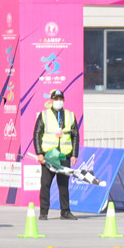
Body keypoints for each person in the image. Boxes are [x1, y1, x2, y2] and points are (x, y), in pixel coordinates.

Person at [33, 89, 79, 220]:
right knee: (46, 184)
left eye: (60, 99)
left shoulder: (70, 115)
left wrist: (74, 154)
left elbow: (75, 135)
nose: (58, 101)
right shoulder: (44, 114)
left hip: (64, 154)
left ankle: (65, 211)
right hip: (49, 154)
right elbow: (37, 134)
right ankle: (43, 212)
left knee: (63, 185)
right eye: (56, 99)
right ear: (51, 100)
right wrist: (39, 153)